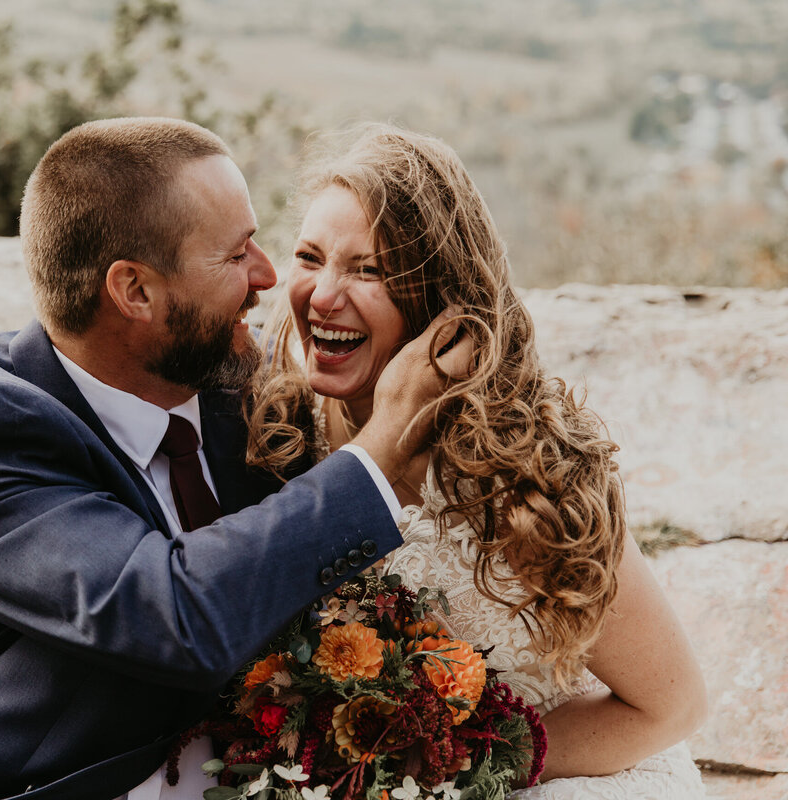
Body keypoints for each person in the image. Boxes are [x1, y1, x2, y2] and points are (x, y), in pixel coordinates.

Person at [0, 117, 472, 800]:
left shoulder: (227, 373)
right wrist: (379, 458)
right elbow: (176, 616)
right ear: (135, 291)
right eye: (235, 257)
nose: (268, 276)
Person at [246, 122, 708, 797]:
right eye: (310, 257)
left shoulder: (522, 469)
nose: (321, 296)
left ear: (442, 298)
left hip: (556, 776)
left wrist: (439, 770)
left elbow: (673, 706)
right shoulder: (276, 428)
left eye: (369, 270)